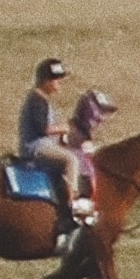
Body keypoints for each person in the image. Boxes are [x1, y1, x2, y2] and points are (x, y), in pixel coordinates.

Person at [18, 57, 95, 230]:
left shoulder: (43, 99)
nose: (59, 83)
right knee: (71, 160)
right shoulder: (37, 99)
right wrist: (64, 128)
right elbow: (42, 128)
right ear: (45, 80)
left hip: (45, 145)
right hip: (36, 147)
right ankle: (72, 205)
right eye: (55, 79)